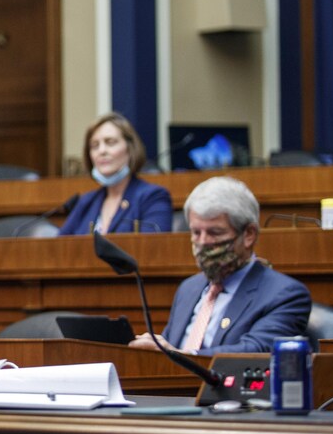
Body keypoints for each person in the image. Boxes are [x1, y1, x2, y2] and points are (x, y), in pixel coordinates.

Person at [129, 176, 311, 355]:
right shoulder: (188, 289)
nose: (203, 242)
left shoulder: (284, 295)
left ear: (249, 234)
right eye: (196, 232)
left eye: (214, 232)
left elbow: (255, 351)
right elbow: (169, 350)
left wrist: (180, 356)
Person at [58, 112, 173, 234]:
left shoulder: (153, 197)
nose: (101, 151)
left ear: (130, 148)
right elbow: (59, 248)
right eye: (94, 145)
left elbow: (154, 248)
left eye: (110, 142)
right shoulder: (86, 202)